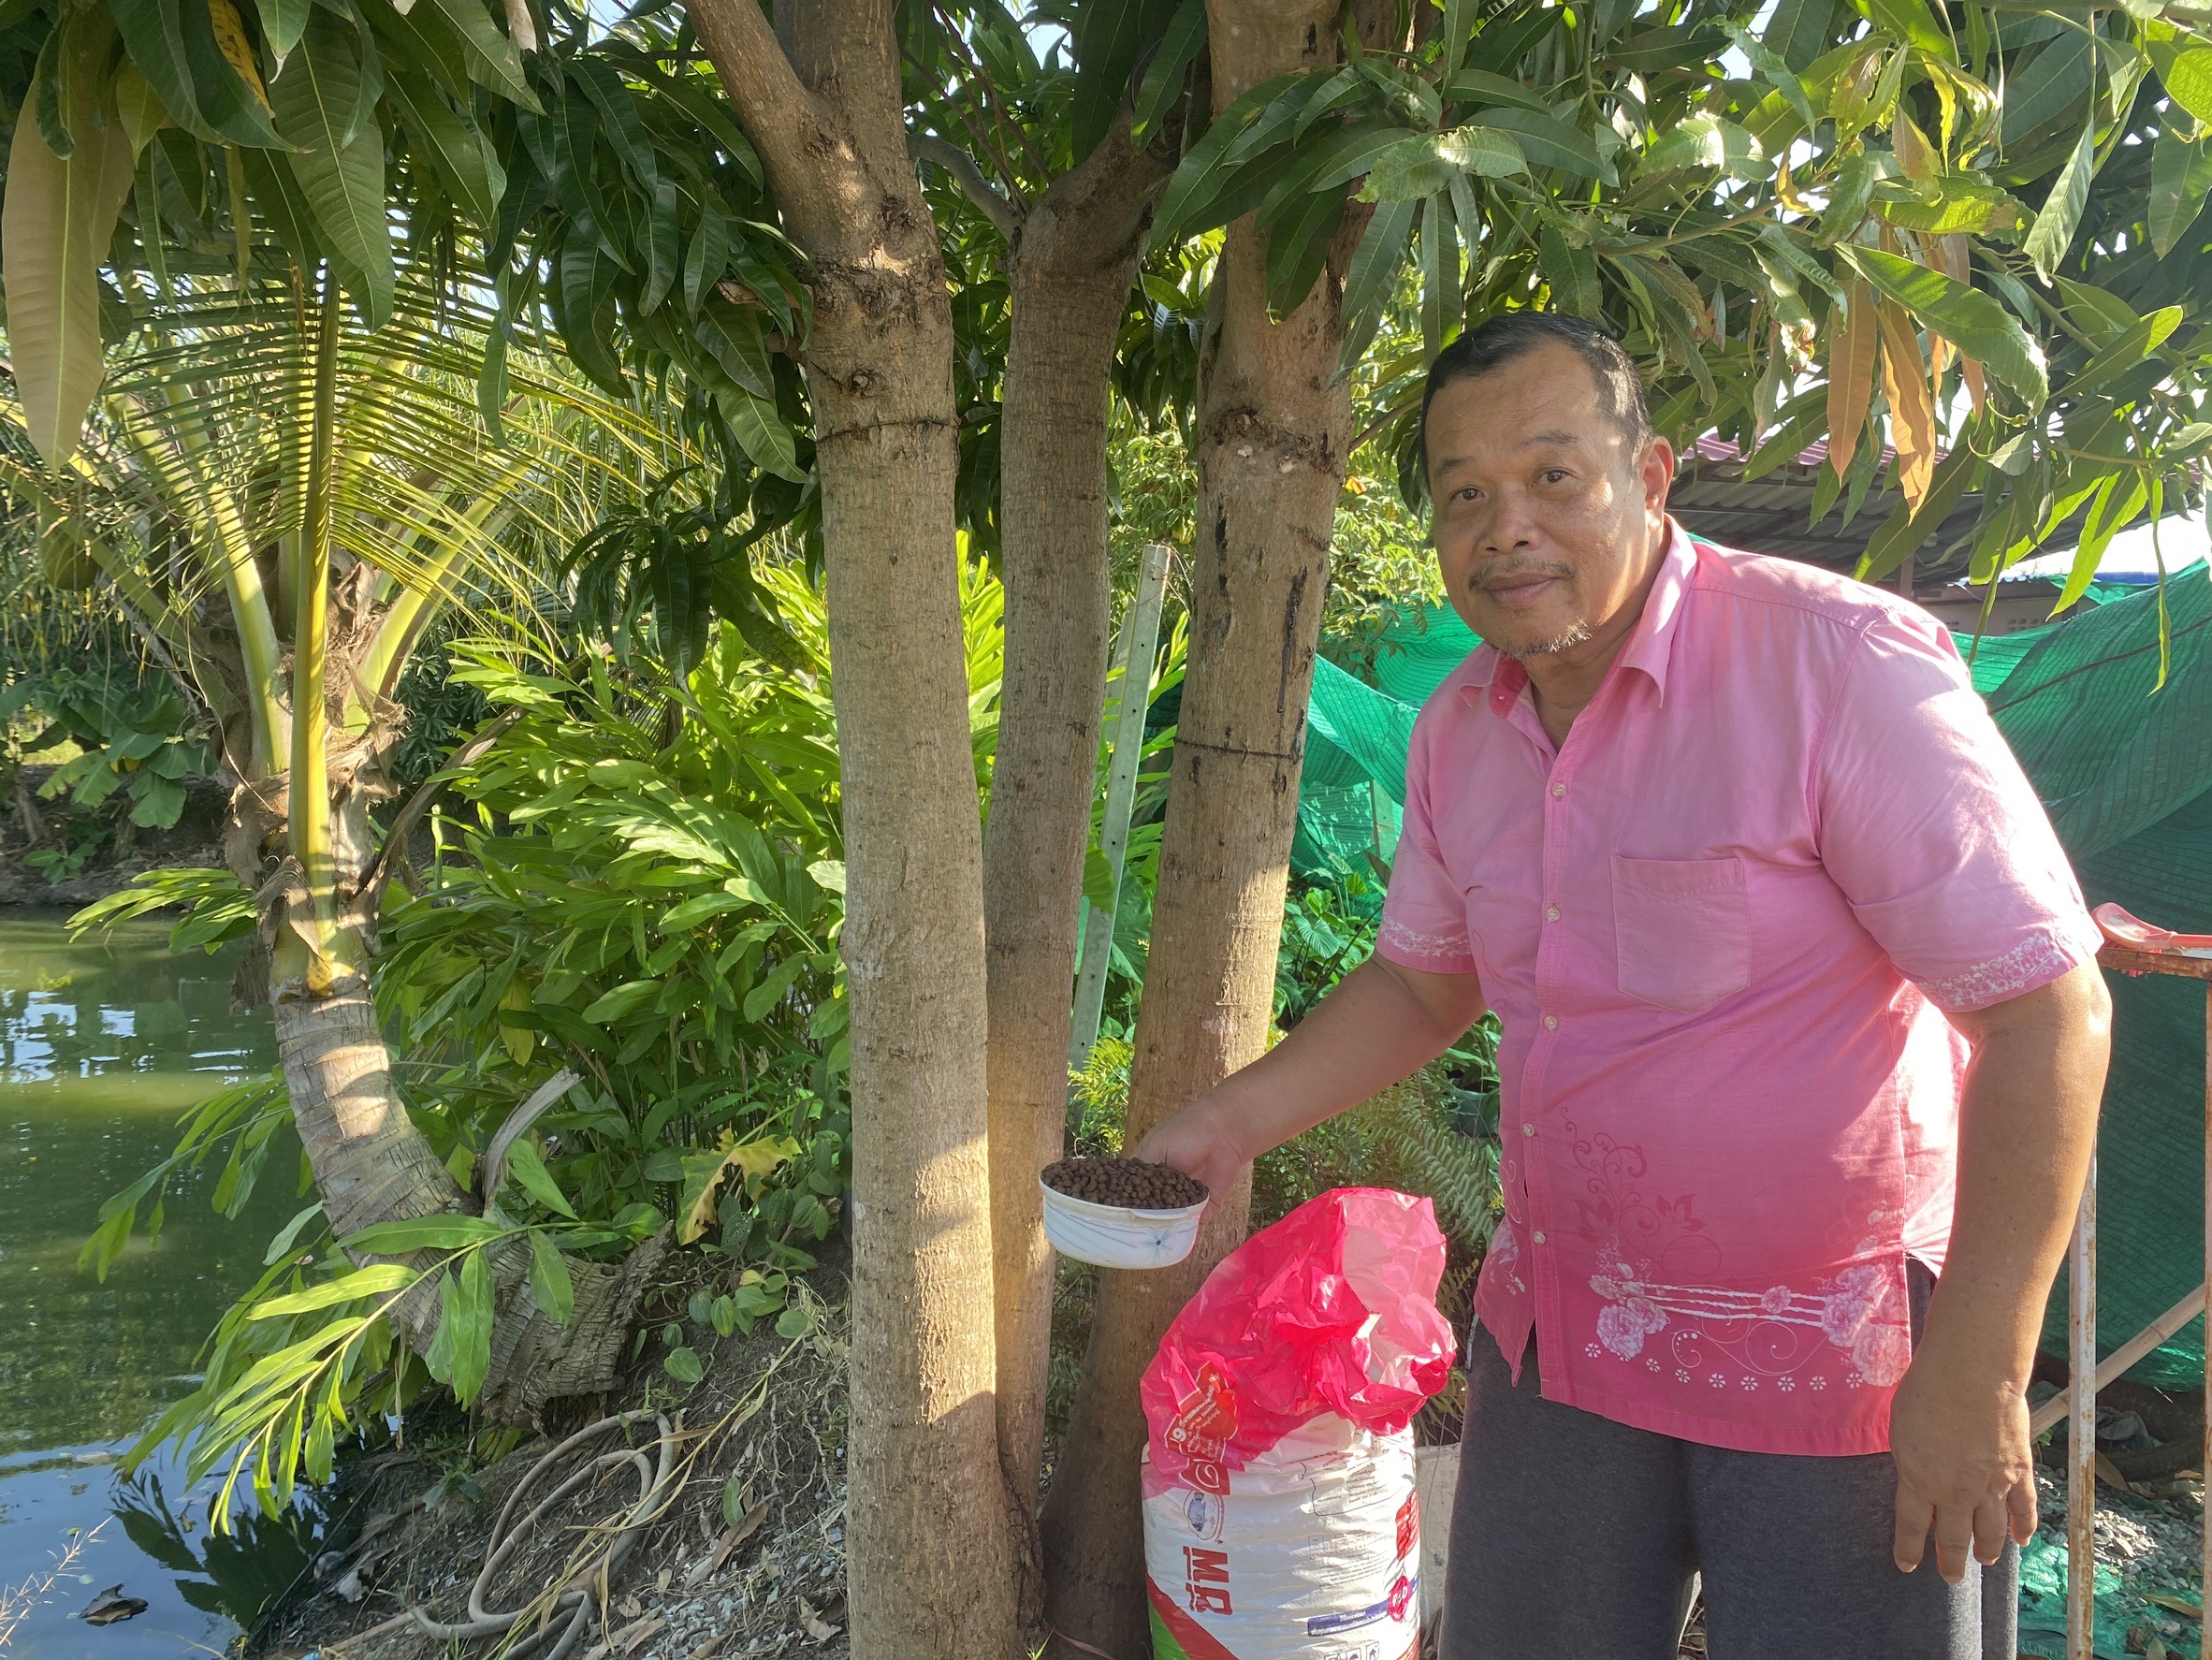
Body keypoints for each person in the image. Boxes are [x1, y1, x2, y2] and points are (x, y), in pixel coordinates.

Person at [1136, 312, 2112, 1658]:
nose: (1505, 526)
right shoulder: (1460, 730)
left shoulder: (1837, 668)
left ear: (1651, 477)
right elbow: (1427, 989)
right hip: (1566, 1344)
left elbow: (2049, 1011)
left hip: (1843, 1370)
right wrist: (1223, 1127)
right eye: (1462, 493)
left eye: (1553, 475)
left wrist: (1983, 1365)